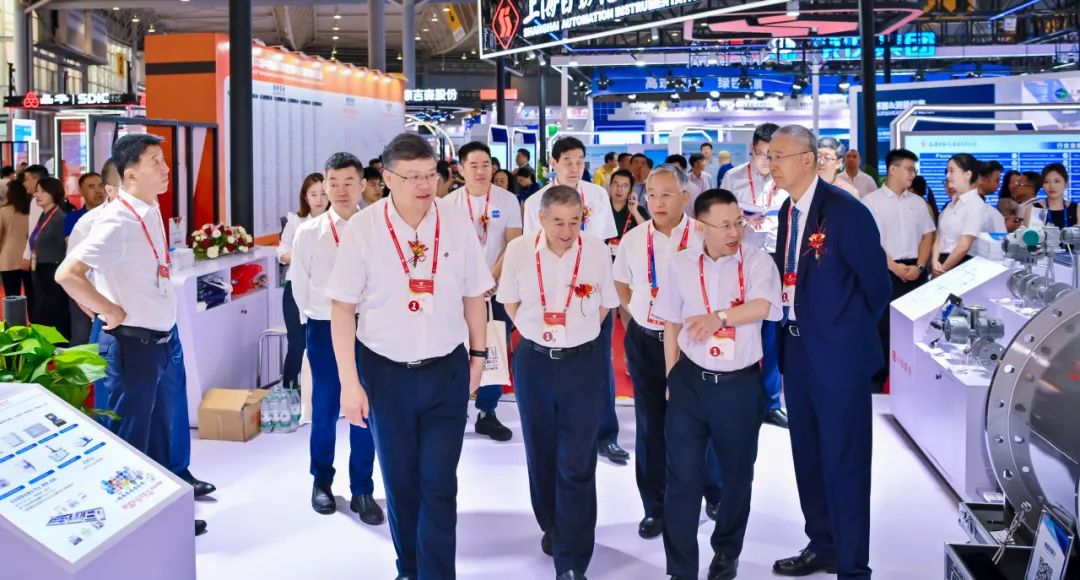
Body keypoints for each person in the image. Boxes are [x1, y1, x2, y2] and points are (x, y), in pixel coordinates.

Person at [326, 133, 492, 579]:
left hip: (446, 371)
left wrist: (479, 357)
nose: (424, 185)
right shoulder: (364, 228)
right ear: (386, 178)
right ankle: (409, 569)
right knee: (401, 483)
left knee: (439, 484)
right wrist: (349, 384)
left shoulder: (456, 222)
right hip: (386, 375)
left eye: (430, 175)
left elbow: (474, 295)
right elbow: (342, 309)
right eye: (412, 177)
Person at [57, 134, 207, 536]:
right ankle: (128, 531)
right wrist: (107, 309)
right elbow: (67, 274)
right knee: (129, 443)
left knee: (157, 438)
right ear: (130, 175)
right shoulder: (116, 221)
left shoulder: (149, 210)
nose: (165, 168)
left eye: (163, 159)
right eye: (155, 161)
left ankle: (161, 521)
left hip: (157, 341)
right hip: (130, 343)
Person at [768, 125, 890, 579]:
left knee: (846, 461)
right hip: (797, 350)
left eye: (779, 156)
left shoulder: (845, 210)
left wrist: (842, 332)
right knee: (809, 456)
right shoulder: (788, 211)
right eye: (768, 157)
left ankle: (853, 565)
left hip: (839, 358)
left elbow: (877, 286)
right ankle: (822, 544)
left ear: (808, 159)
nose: (771, 165)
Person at [654, 188, 782, 580]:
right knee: (681, 478)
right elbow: (671, 321)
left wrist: (719, 317)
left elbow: (764, 306)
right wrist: (671, 376)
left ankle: (727, 551)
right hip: (690, 382)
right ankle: (681, 569)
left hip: (739, 386)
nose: (734, 232)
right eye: (724, 225)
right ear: (701, 227)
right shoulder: (680, 264)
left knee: (736, 476)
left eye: (738, 223)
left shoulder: (757, 261)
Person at [496, 185, 620, 579]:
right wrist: (540, 332)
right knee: (541, 450)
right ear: (541, 219)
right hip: (535, 362)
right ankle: (553, 523)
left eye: (574, 222)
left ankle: (573, 557)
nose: (567, 231)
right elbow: (510, 302)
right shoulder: (519, 250)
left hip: (582, 363)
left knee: (578, 458)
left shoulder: (596, 250)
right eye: (558, 223)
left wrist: (574, 335)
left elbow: (605, 304)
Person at [611, 165, 704, 542]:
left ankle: (710, 492)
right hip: (647, 339)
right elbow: (620, 282)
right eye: (652, 195)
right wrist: (637, 315)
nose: (658, 202)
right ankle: (654, 505)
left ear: (686, 197)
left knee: (698, 419)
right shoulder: (634, 239)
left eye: (667, 194)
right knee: (650, 423)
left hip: (693, 341)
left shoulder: (703, 235)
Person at [522, 137, 627, 466]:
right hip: (551, 294)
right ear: (553, 163)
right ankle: (559, 432)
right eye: (567, 161)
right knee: (553, 366)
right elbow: (530, 249)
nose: (574, 167)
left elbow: (605, 244)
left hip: (591, 293)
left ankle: (606, 435)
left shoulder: (596, 195)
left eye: (580, 161)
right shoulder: (536, 202)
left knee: (600, 362)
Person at [290, 153, 382, 524]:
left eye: (349, 183)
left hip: (368, 329)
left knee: (365, 409)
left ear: (363, 185)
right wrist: (315, 320)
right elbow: (299, 286)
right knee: (324, 407)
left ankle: (362, 488)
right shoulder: (309, 232)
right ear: (324, 186)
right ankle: (322, 481)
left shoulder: (376, 227)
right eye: (333, 183)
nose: (341, 190)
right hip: (324, 327)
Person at [445, 141, 523, 442]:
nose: (481, 171)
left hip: (496, 289)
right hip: (459, 292)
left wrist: (491, 277)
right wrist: (470, 281)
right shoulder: (448, 203)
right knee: (456, 347)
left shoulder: (507, 199)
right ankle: (454, 409)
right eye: (474, 165)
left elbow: (513, 242)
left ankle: (487, 412)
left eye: (486, 165)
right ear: (461, 169)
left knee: (494, 348)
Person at [720, 122, 788, 429]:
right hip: (739, 260)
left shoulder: (785, 178)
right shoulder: (733, 178)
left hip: (775, 260)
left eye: (773, 155)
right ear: (752, 150)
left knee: (772, 332)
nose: (767, 162)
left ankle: (771, 402)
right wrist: (741, 219)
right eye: (762, 155)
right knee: (739, 327)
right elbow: (719, 217)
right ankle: (736, 396)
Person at [861, 149, 935, 393]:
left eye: (914, 170)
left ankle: (914, 381)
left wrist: (920, 267)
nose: (913, 174)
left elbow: (928, 235)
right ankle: (879, 381)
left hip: (915, 272)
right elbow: (869, 241)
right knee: (883, 328)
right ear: (893, 169)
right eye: (909, 169)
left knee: (916, 329)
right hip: (885, 271)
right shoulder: (871, 202)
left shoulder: (918, 203)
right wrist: (894, 266)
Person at [277, 173, 328, 391]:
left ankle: (318, 392)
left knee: (322, 346)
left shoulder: (338, 222)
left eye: (323, 194)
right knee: (297, 345)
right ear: (305, 197)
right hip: (296, 290)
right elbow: (282, 253)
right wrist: (307, 256)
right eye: (313, 194)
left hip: (326, 292)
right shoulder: (296, 221)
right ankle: (289, 392)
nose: (319, 199)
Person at [933, 153, 986, 276]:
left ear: (967, 174)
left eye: (952, 171)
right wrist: (935, 262)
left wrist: (943, 269)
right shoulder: (949, 205)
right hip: (941, 263)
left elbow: (964, 245)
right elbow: (939, 237)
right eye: (947, 171)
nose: (947, 176)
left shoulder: (975, 204)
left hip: (962, 266)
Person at [30, 177, 69, 338]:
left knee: (53, 311)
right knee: (43, 311)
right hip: (42, 269)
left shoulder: (60, 217)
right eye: (37, 191)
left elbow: (67, 248)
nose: (37, 195)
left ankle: (58, 344)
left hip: (53, 270)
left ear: (54, 193)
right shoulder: (44, 215)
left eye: (43, 191)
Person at [0, 181, 31, 304]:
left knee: (12, 295)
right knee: (32, 293)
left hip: (8, 258)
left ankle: (15, 316)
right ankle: (33, 315)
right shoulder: (31, 211)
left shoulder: (3, 212)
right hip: (29, 257)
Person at [608, 169, 648, 246]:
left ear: (630, 189)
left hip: (630, 252)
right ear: (610, 185)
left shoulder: (638, 209)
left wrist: (635, 212)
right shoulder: (601, 207)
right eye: (616, 184)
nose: (619, 189)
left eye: (625, 186)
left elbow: (648, 232)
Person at [64, 172, 106, 243]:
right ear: (81, 192)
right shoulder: (73, 218)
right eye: (91, 187)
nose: (97, 191)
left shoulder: (115, 214)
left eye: (101, 186)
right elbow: (72, 244)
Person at [1030, 163, 1075, 229]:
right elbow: (1032, 235)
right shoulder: (1035, 208)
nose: (1052, 186)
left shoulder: (1077, 209)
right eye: (1046, 182)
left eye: (1057, 181)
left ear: (1066, 183)